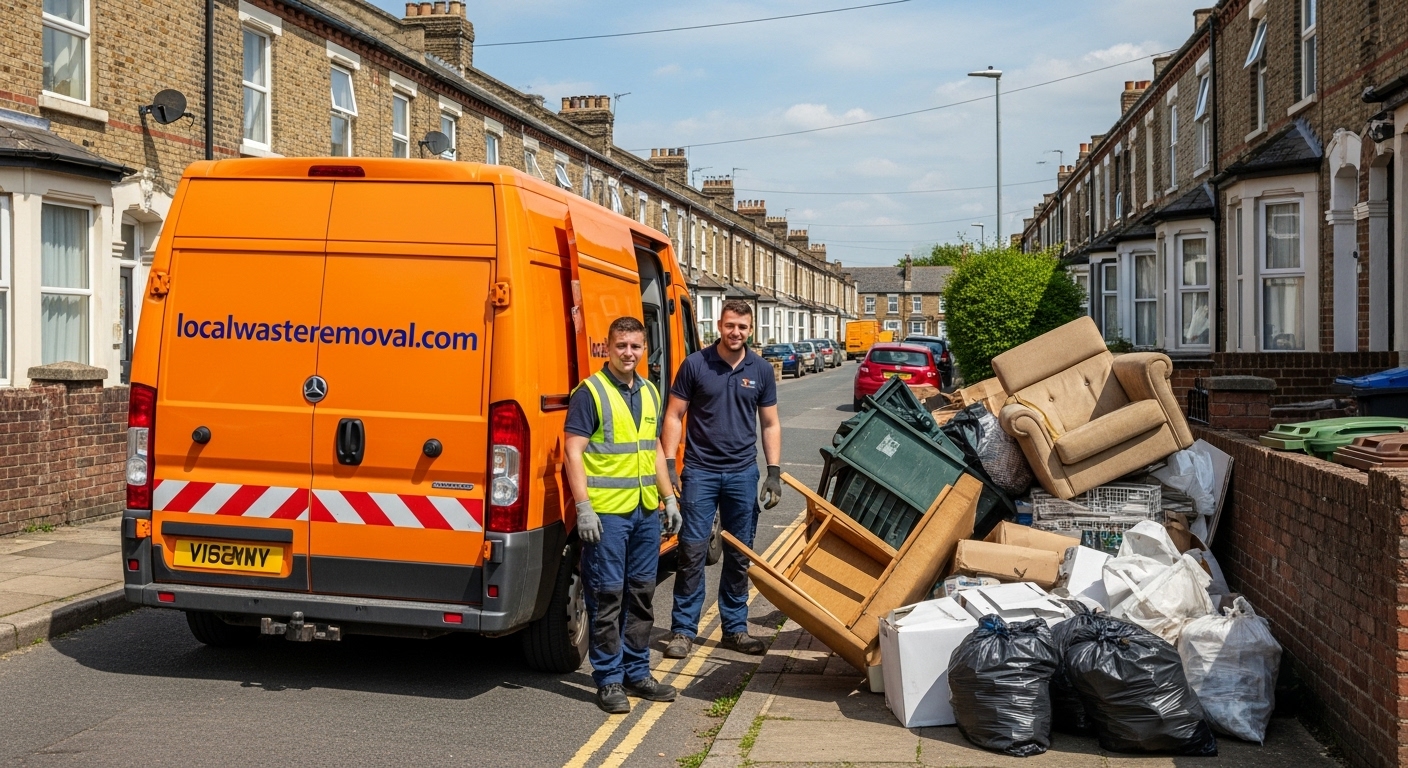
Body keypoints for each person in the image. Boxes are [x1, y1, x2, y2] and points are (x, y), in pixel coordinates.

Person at [564, 316, 684, 714]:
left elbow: (651, 450)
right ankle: (610, 679)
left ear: (643, 348)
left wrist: (668, 499)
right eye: (621, 346)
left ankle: (637, 671)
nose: (628, 353)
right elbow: (573, 452)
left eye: (635, 346)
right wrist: (583, 508)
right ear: (608, 348)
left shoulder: (650, 391)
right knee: (607, 596)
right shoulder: (590, 393)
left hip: (645, 513)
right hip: (607, 517)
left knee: (642, 594)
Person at [661, 300, 783, 659]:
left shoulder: (760, 370)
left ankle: (735, 628)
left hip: (743, 473)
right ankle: (683, 630)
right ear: (719, 324)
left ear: (751, 329)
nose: (736, 333)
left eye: (743, 327)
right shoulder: (695, 365)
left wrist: (773, 473)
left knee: (738, 554)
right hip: (699, 471)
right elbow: (673, 415)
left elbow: (770, 423)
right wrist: (669, 464)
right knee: (692, 551)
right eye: (730, 325)